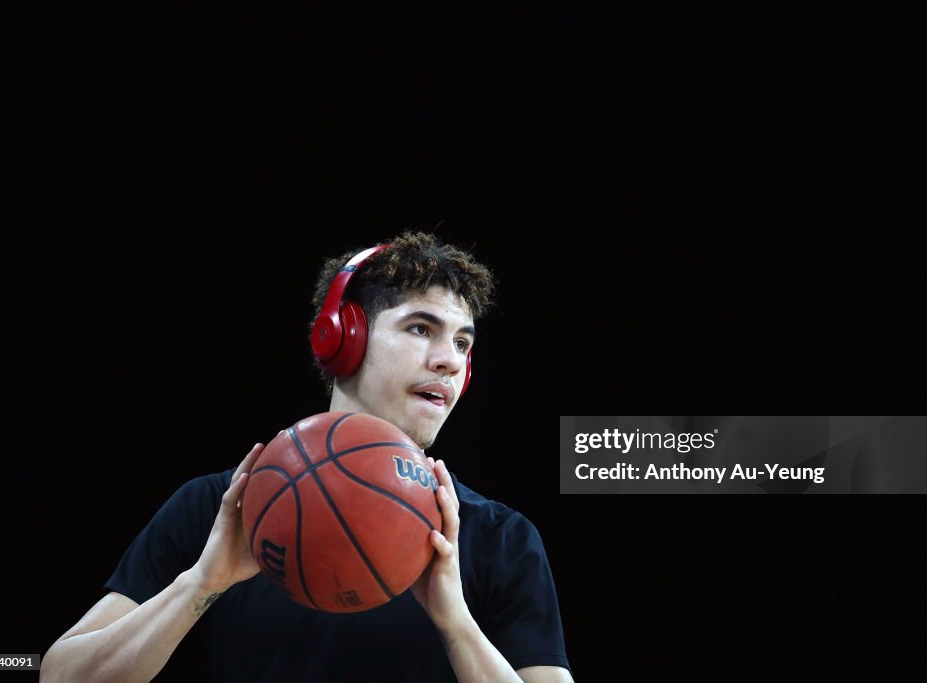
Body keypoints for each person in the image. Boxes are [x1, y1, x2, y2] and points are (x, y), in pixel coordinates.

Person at [41, 231, 573, 682]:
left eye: (462, 343)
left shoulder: (500, 537)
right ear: (342, 336)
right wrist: (200, 584)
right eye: (420, 329)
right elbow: (60, 672)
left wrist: (456, 623)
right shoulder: (220, 508)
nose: (449, 362)